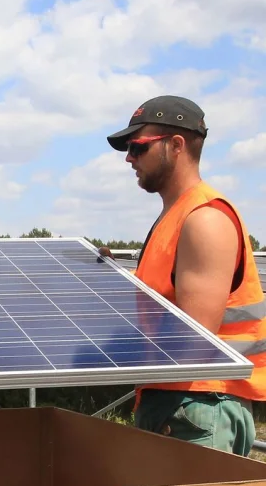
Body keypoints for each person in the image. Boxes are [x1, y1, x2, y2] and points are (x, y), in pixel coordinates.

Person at [106, 95, 265, 456]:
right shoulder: (177, 217)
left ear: (176, 145)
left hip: (199, 405)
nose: (129, 157)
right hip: (179, 403)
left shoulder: (204, 219)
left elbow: (193, 341)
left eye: (137, 146)